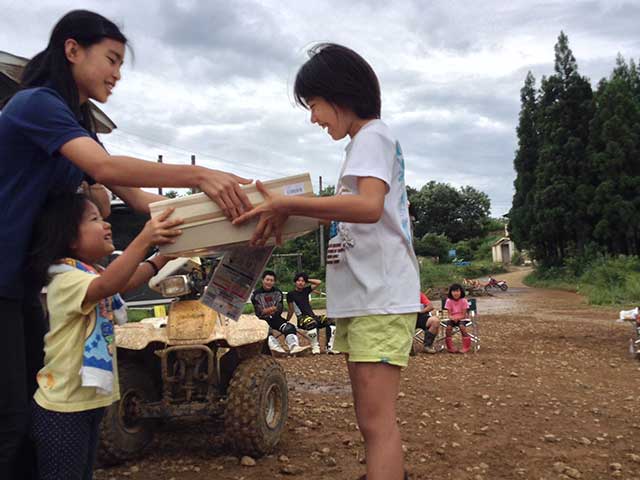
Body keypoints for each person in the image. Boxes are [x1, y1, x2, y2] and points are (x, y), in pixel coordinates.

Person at [0, 10, 253, 479]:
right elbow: (110, 171)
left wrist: (230, 222)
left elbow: (147, 203)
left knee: (29, 414)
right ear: (72, 50)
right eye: (112, 60)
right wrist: (200, 174)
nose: (117, 74)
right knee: (11, 422)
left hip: (19, 283)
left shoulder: (75, 122)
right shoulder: (35, 104)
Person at [234, 43, 419, 480]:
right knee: (372, 420)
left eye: (314, 105)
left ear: (340, 95)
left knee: (377, 423)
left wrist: (292, 205)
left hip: (381, 297)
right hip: (367, 298)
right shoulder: (362, 143)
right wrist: (288, 213)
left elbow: (370, 205)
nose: (313, 117)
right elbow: (356, 211)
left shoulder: (371, 136)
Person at [26, 192, 181, 479]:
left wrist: (162, 258)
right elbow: (111, 284)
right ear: (69, 237)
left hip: (84, 404)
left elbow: (125, 281)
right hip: (62, 410)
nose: (107, 225)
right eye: (95, 219)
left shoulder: (89, 273)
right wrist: (145, 237)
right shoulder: (65, 279)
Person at [251, 270, 309, 355]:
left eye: (271, 280)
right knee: (266, 331)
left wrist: (267, 310)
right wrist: (272, 309)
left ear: (274, 282)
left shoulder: (278, 292)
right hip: (262, 320)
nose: (269, 282)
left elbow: (279, 309)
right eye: (267, 280)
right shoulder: (256, 294)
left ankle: (294, 346)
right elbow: (260, 312)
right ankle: (275, 348)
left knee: (289, 327)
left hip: (276, 318)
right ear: (262, 280)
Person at [286, 272, 336, 355]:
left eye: (303, 281)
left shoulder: (306, 290)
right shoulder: (290, 294)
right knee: (311, 323)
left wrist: (307, 279)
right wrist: (287, 320)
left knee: (331, 320)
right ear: (295, 282)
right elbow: (291, 309)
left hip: (313, 316)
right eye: (298, 280)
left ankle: (330, 346)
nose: (300, 282)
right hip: (302, 318)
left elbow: (318, 282)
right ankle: (315, 346)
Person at [444, 283, 471, 354]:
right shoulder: (448, 301)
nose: (456, 293)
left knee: (462, 327)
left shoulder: (464, 301)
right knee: (448, 328)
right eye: (454, 291)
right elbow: (449, 314)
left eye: (457, 291)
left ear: (461, 292)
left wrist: (458, 318)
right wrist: (452, 318)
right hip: (452, 319)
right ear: (451, 292)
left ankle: (466, 347)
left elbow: (464, 315)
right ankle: (450, 347)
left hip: (462, 319)